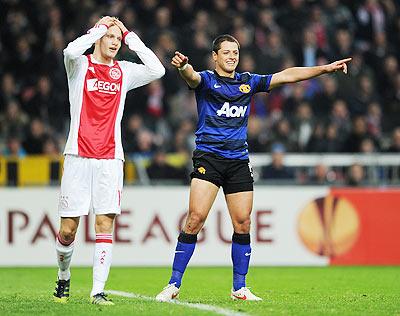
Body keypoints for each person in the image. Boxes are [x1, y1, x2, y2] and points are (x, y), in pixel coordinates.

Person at [156, 34, 350, 302]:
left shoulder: (248, 81)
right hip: (209, 158)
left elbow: (286, 76)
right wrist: (182, 67)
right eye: (226, 52)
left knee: (243, 223)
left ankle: (239, 288)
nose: (232, 56)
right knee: (195, 219)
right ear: (215, 56)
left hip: (237, 161)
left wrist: (324, 69)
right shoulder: (207, 80)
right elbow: (191, 78)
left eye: (235, 52)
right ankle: (173, 284)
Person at [53, 16, 165, 305]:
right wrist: (98, 29)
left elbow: (157, 69)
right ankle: (63, 276)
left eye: (118, 39)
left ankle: (97, 290)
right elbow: (69, 51)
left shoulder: (124, 72)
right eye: (110, 37)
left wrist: (129, 34)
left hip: (110, 159)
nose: (115, 42)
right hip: (77, 156)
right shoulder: (80, 67)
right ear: (99, 38)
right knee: (68, 230)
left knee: (104, 223)